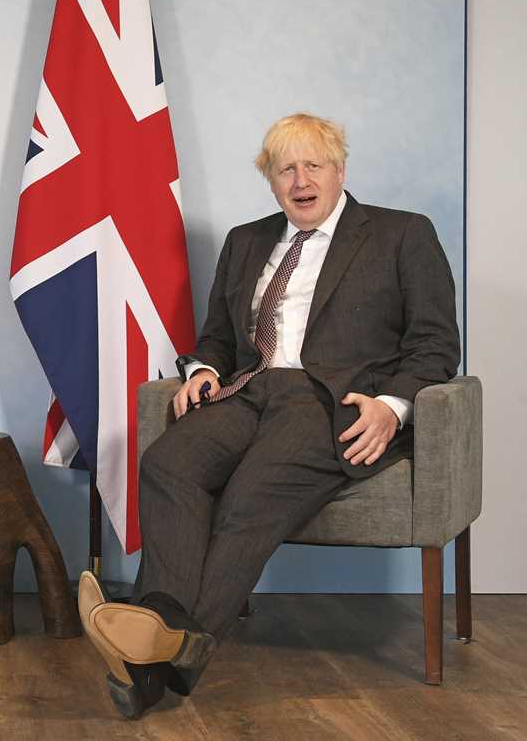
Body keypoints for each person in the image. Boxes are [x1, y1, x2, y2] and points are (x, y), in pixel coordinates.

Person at [78, 113, 461, 719]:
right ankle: (163, 626)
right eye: (286, 169)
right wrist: (203, 369)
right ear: (272, 180)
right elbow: (216, 338)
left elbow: (436, 344)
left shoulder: (402, 234)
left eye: (313, 165)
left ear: (340, 171)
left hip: (331, 404)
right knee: (168, 462)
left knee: (251, 494)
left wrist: (393, 407)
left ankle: (155, 662)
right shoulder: (246, 241)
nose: (300, 180)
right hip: (249, 392)